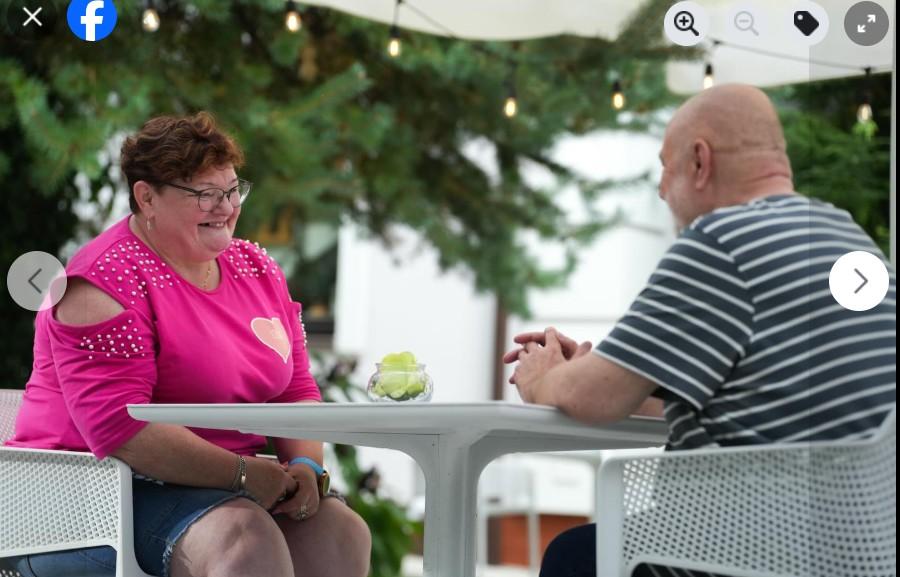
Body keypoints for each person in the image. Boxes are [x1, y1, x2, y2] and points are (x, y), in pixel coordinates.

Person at [503, 84, 896, 577]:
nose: (662, 189)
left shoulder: (721, 241)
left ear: (699, 162)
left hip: (746, 554)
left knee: (574, 556)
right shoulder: (847, 237)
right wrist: (598, 369)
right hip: (856, 551)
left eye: (664, 168)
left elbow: (592, 400)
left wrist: (543, 377)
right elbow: (752, 398)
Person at [4, 112, 371, 577]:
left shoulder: (258, 267)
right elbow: (122, 431)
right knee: (245, 538)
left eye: (233, 190)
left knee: (339, 532)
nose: (226, 207)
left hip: (226, 485)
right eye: (205, 195)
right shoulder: (100, 283)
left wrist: (301, 466)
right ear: (147, 197)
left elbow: (293, 389)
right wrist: (244, 474)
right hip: (89, 495)